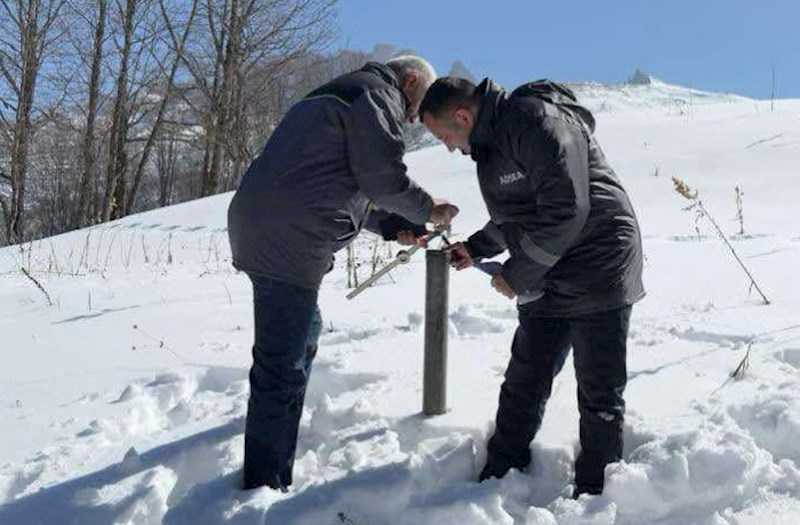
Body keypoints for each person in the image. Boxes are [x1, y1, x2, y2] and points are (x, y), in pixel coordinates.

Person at [227, 56, 458, 491]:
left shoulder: (341, 93)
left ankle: (274, 439)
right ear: (410, 82)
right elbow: (381, 179)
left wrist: (394, 227)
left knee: (302, 331)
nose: (415, 119)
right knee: (282, 363)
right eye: (418, 107)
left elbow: (339, 183)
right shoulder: (377, 97)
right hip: (289, 237)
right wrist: (429, 208)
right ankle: (263, 484)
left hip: (262, 223)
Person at [419, 76, 644, 496]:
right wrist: (476, 247)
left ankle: (596, 496)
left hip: (599, 261)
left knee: (598, 390)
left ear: (464, 116)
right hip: (549, 268)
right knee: (526, 376)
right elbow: (517, 214)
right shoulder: (490, 149)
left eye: (444, 135)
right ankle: (498, 477)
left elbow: (566, 209)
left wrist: (517, 275)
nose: (447, 146)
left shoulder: (534, 119)